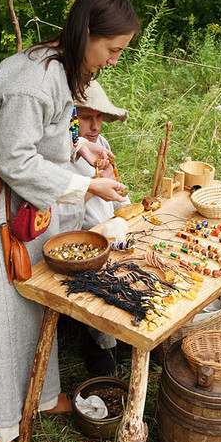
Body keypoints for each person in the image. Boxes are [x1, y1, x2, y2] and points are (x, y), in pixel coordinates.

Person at [0, 0, 139, 442]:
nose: (113, 60)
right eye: (112, 49)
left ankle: (40, 394)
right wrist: (86, 184)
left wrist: (81, 152)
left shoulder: (59, 67)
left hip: (28, 207)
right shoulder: (32, 80)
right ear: (86, 34)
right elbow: (14, 158)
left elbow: (50, 135)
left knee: (32, 305)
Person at [56, 80, 130, 376]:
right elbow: (58, 222)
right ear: (70, 117)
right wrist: (92, 189)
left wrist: (118, 195)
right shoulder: (59, 155)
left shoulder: (101, 145)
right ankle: (101, 344)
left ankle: (125, 328)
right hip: (74, 240)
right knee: (100, 270)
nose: (95, 126)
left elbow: (118, 199)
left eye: (100, 118)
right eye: (87, 117)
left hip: (107, 229)